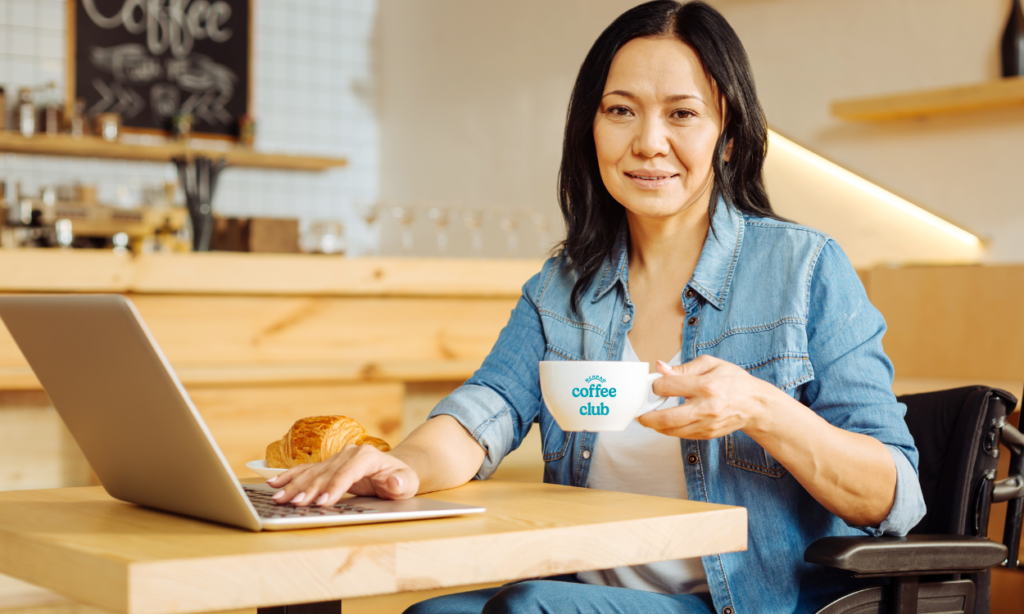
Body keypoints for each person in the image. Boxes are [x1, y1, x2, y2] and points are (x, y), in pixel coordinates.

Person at [268, 1, 927, 612]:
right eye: (620, 110)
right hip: (595, 595)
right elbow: (483, 413)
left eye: (682, 113)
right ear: (591, 129)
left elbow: (893, 498)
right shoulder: (563, 287)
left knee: (532, 608)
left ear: (728, 135)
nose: (647, 142)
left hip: (749, 601)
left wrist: (759, 406)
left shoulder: (803, 268)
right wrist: (401, 467)